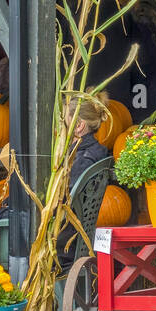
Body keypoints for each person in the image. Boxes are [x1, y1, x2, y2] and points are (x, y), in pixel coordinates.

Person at [56, 94, 112, 270]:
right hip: (74, 235)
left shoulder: (81, 160)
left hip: (63, 239)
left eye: (64, 120)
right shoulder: (98, 153)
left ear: (79, 126)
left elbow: (62, 203)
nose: (60, 126)